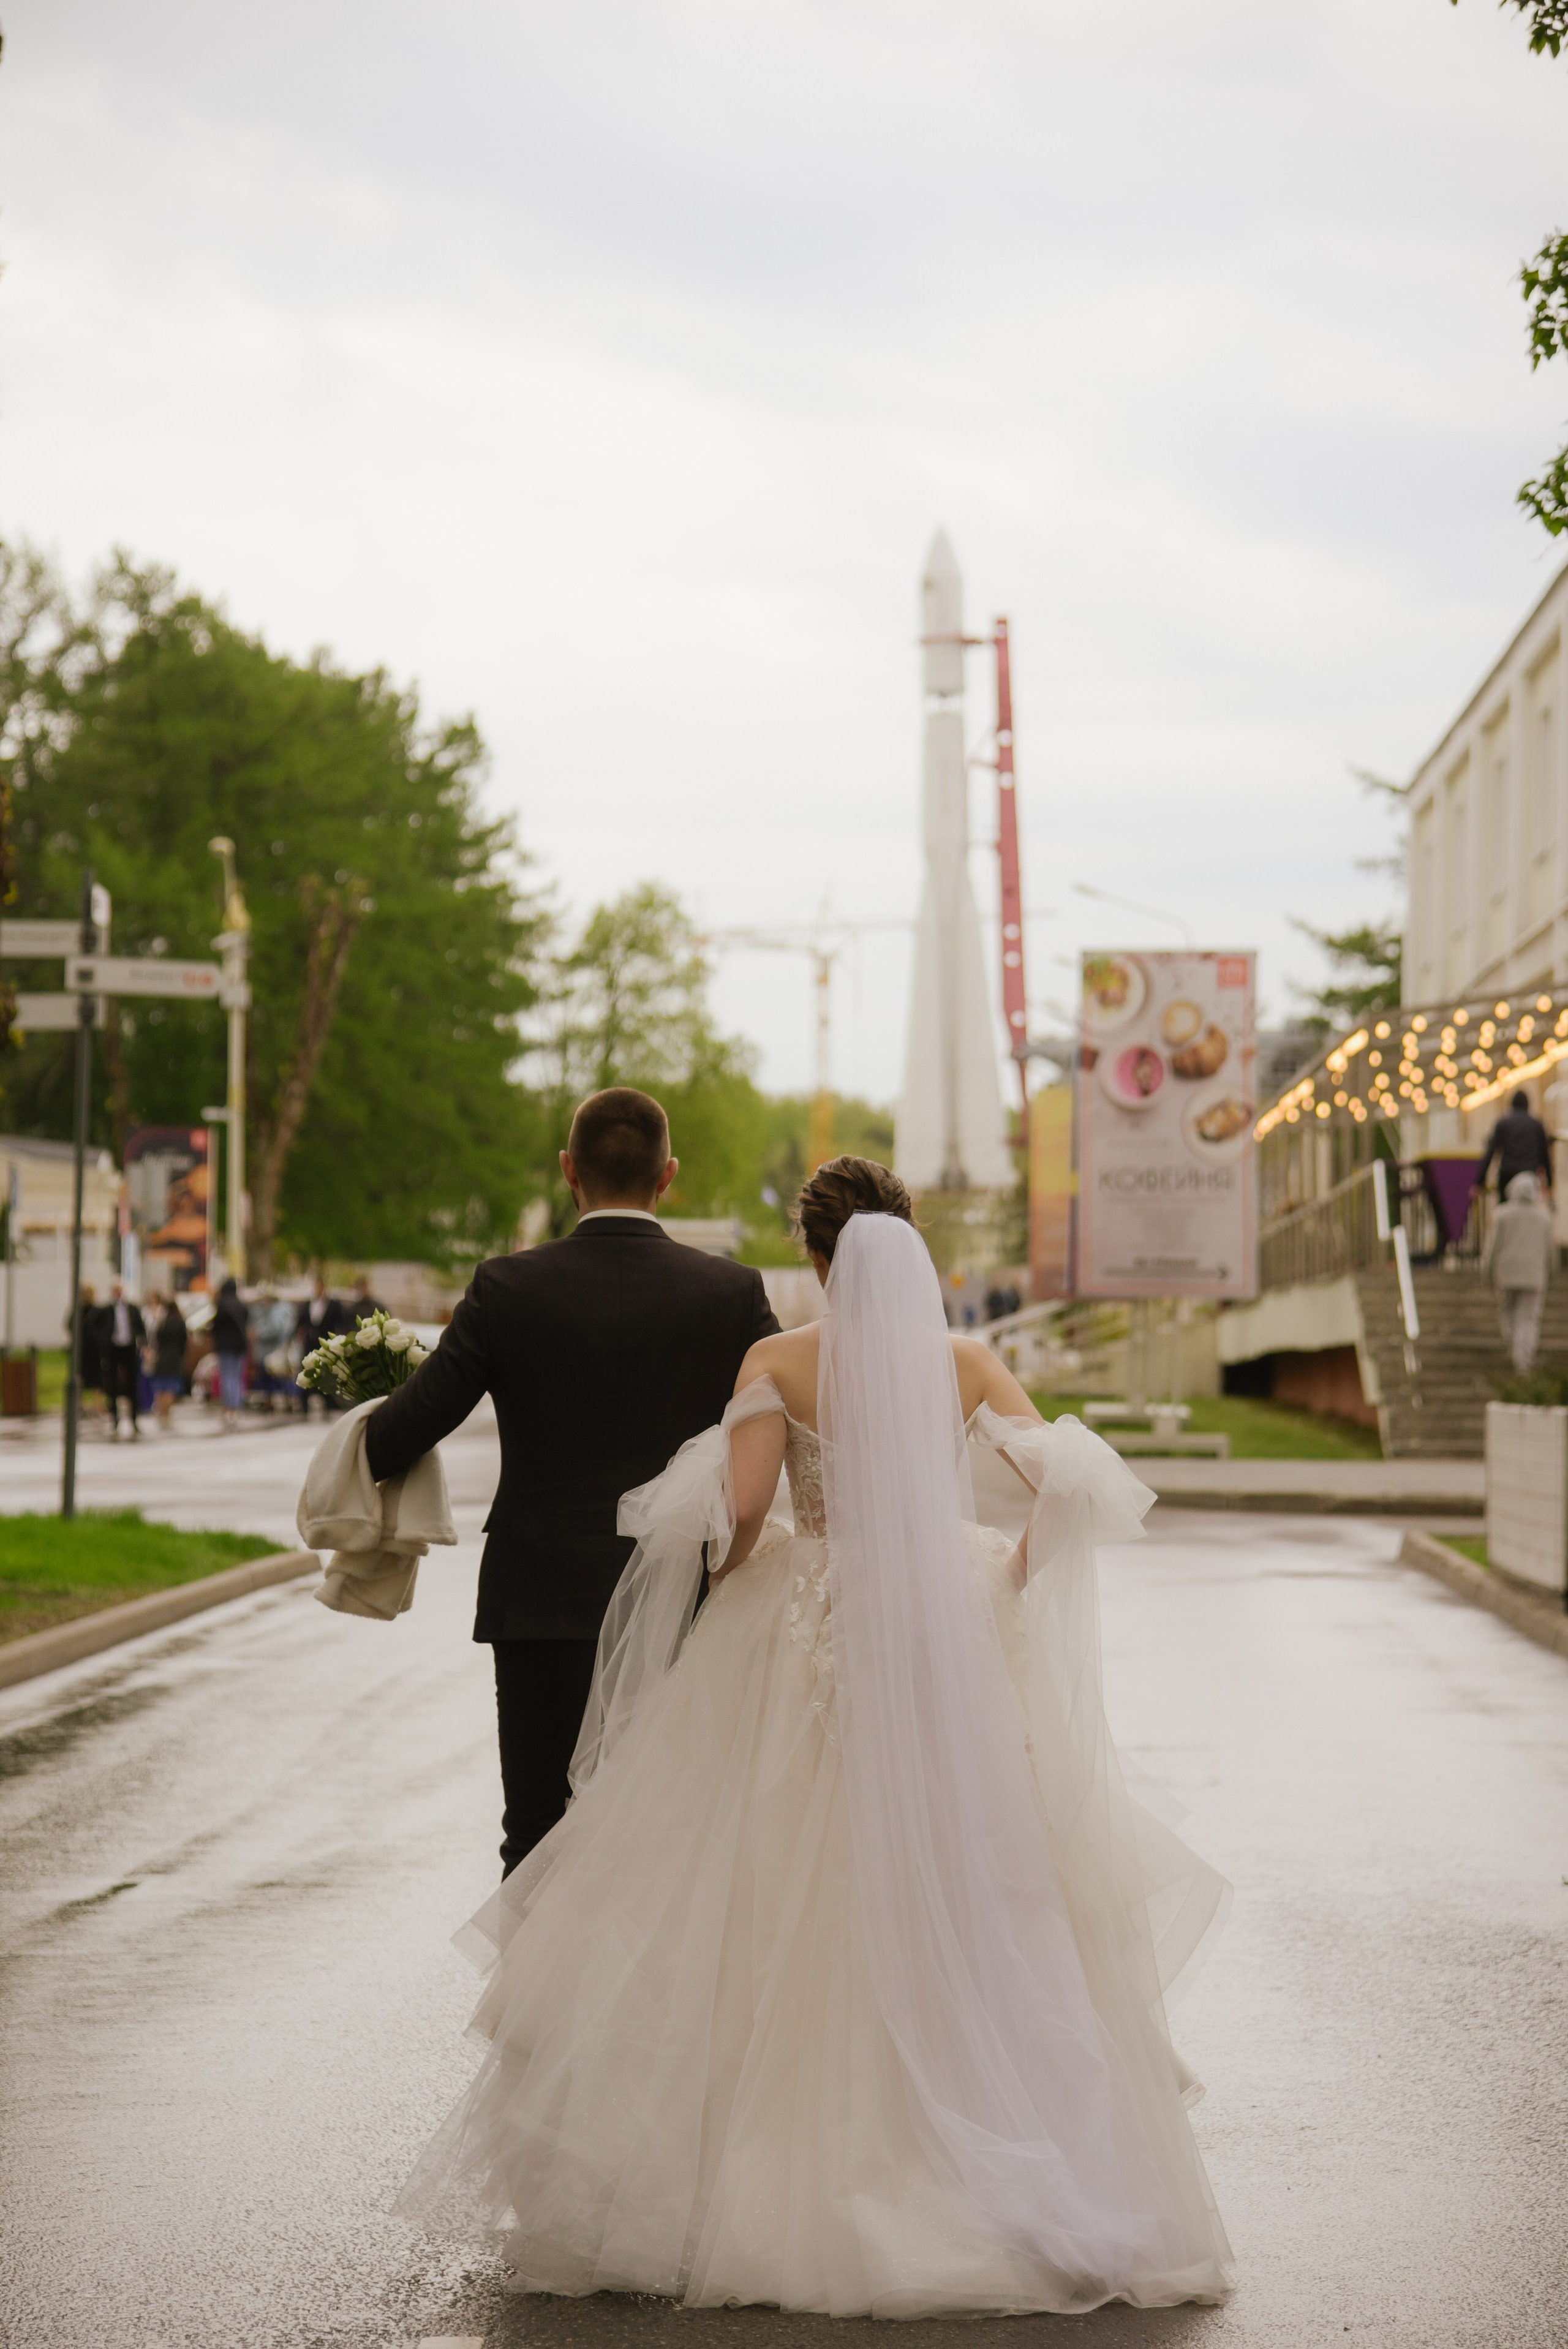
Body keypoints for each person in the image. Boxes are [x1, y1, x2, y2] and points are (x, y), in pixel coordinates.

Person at [395, 1159, 1233, 2316]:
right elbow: (1072, 1485)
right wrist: (1002, 1580)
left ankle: (756, 2169)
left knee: (758, 1881)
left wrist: (733, 1589)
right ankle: (1006, 2145)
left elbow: (741, 1512)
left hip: (803, 1626)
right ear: (912, 1247)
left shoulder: (778, 1363)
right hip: (942, 1626)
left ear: (817, 1257)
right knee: (969, 1878)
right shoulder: (970, 1364)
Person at [364, 1087, 780, 1872]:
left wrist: (367, 1408)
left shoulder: (505, 1288)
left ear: (567, 1172)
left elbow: (401, 1433)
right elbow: (790, 1418)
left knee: (537, 1834)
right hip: (679, 1600)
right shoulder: (731, 1295)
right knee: (668, 1831)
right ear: (668, 1176)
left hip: (540, 1600)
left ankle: (535, 1998)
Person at [1486, 1169, 1556, 1372]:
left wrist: (1488, 1272)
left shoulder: (1502, 1214)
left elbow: (1492, 1247)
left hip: (1506, 1274)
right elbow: (1550, 1251)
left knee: (1507, 1313)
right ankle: (1523, 1359)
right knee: (1528, 1318)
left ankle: (1515, 1348)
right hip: (1534, 1276)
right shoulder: (1544, 1218)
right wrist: (1550, 1273)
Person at [1476, 1088, 1553, 1200]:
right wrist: (1549, 1183)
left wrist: (1479, 1182)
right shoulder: (1537, 1125)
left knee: (1505, 1210)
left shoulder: (1503, 1123)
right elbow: (1545, 1156)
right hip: (1529, 1174)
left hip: (1508, 1173)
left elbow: (1491, 1152)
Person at [100, 1280, 147, 1439]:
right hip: (113, 1350)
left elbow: (141, 1327)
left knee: (133, 1384)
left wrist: (144, 1345)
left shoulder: (132, 1308)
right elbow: (95, 1326)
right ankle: (115, 1421)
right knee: (112, 1385)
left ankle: (134, 1420)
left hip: (129, 1348)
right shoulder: (106, 1310)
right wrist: (103, 1340)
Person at [209, 1276, 250, 1429]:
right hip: (240, 1346)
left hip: (225, 1346)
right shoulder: (241, 1305)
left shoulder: (222, 1305)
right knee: (238, 1377)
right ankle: (237, 1407)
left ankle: (229, 1408)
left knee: (227, 1377)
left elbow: (215, 1326)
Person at [146, 1292, 188, 1431]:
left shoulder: (162, 1323)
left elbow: (156, 1339)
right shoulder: (180, 1322)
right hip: (174, 1358)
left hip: (162, 1357)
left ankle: (161, 1414)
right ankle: (167, 1414)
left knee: (161, 1388)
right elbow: (184, 1342)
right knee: (170, 1388)